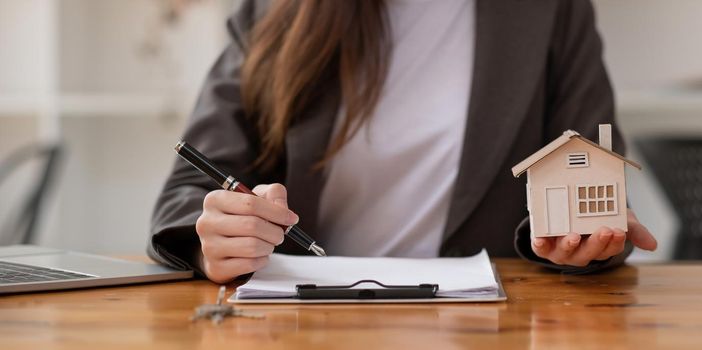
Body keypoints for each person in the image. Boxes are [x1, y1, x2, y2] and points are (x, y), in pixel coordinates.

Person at [149, 0, 657, 283]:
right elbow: (191, 188)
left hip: (492, 326)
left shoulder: (552, 12)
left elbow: (591, 171)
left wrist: (582, 240)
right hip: (308, 323)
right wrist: (211, 242)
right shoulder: (273, 11)